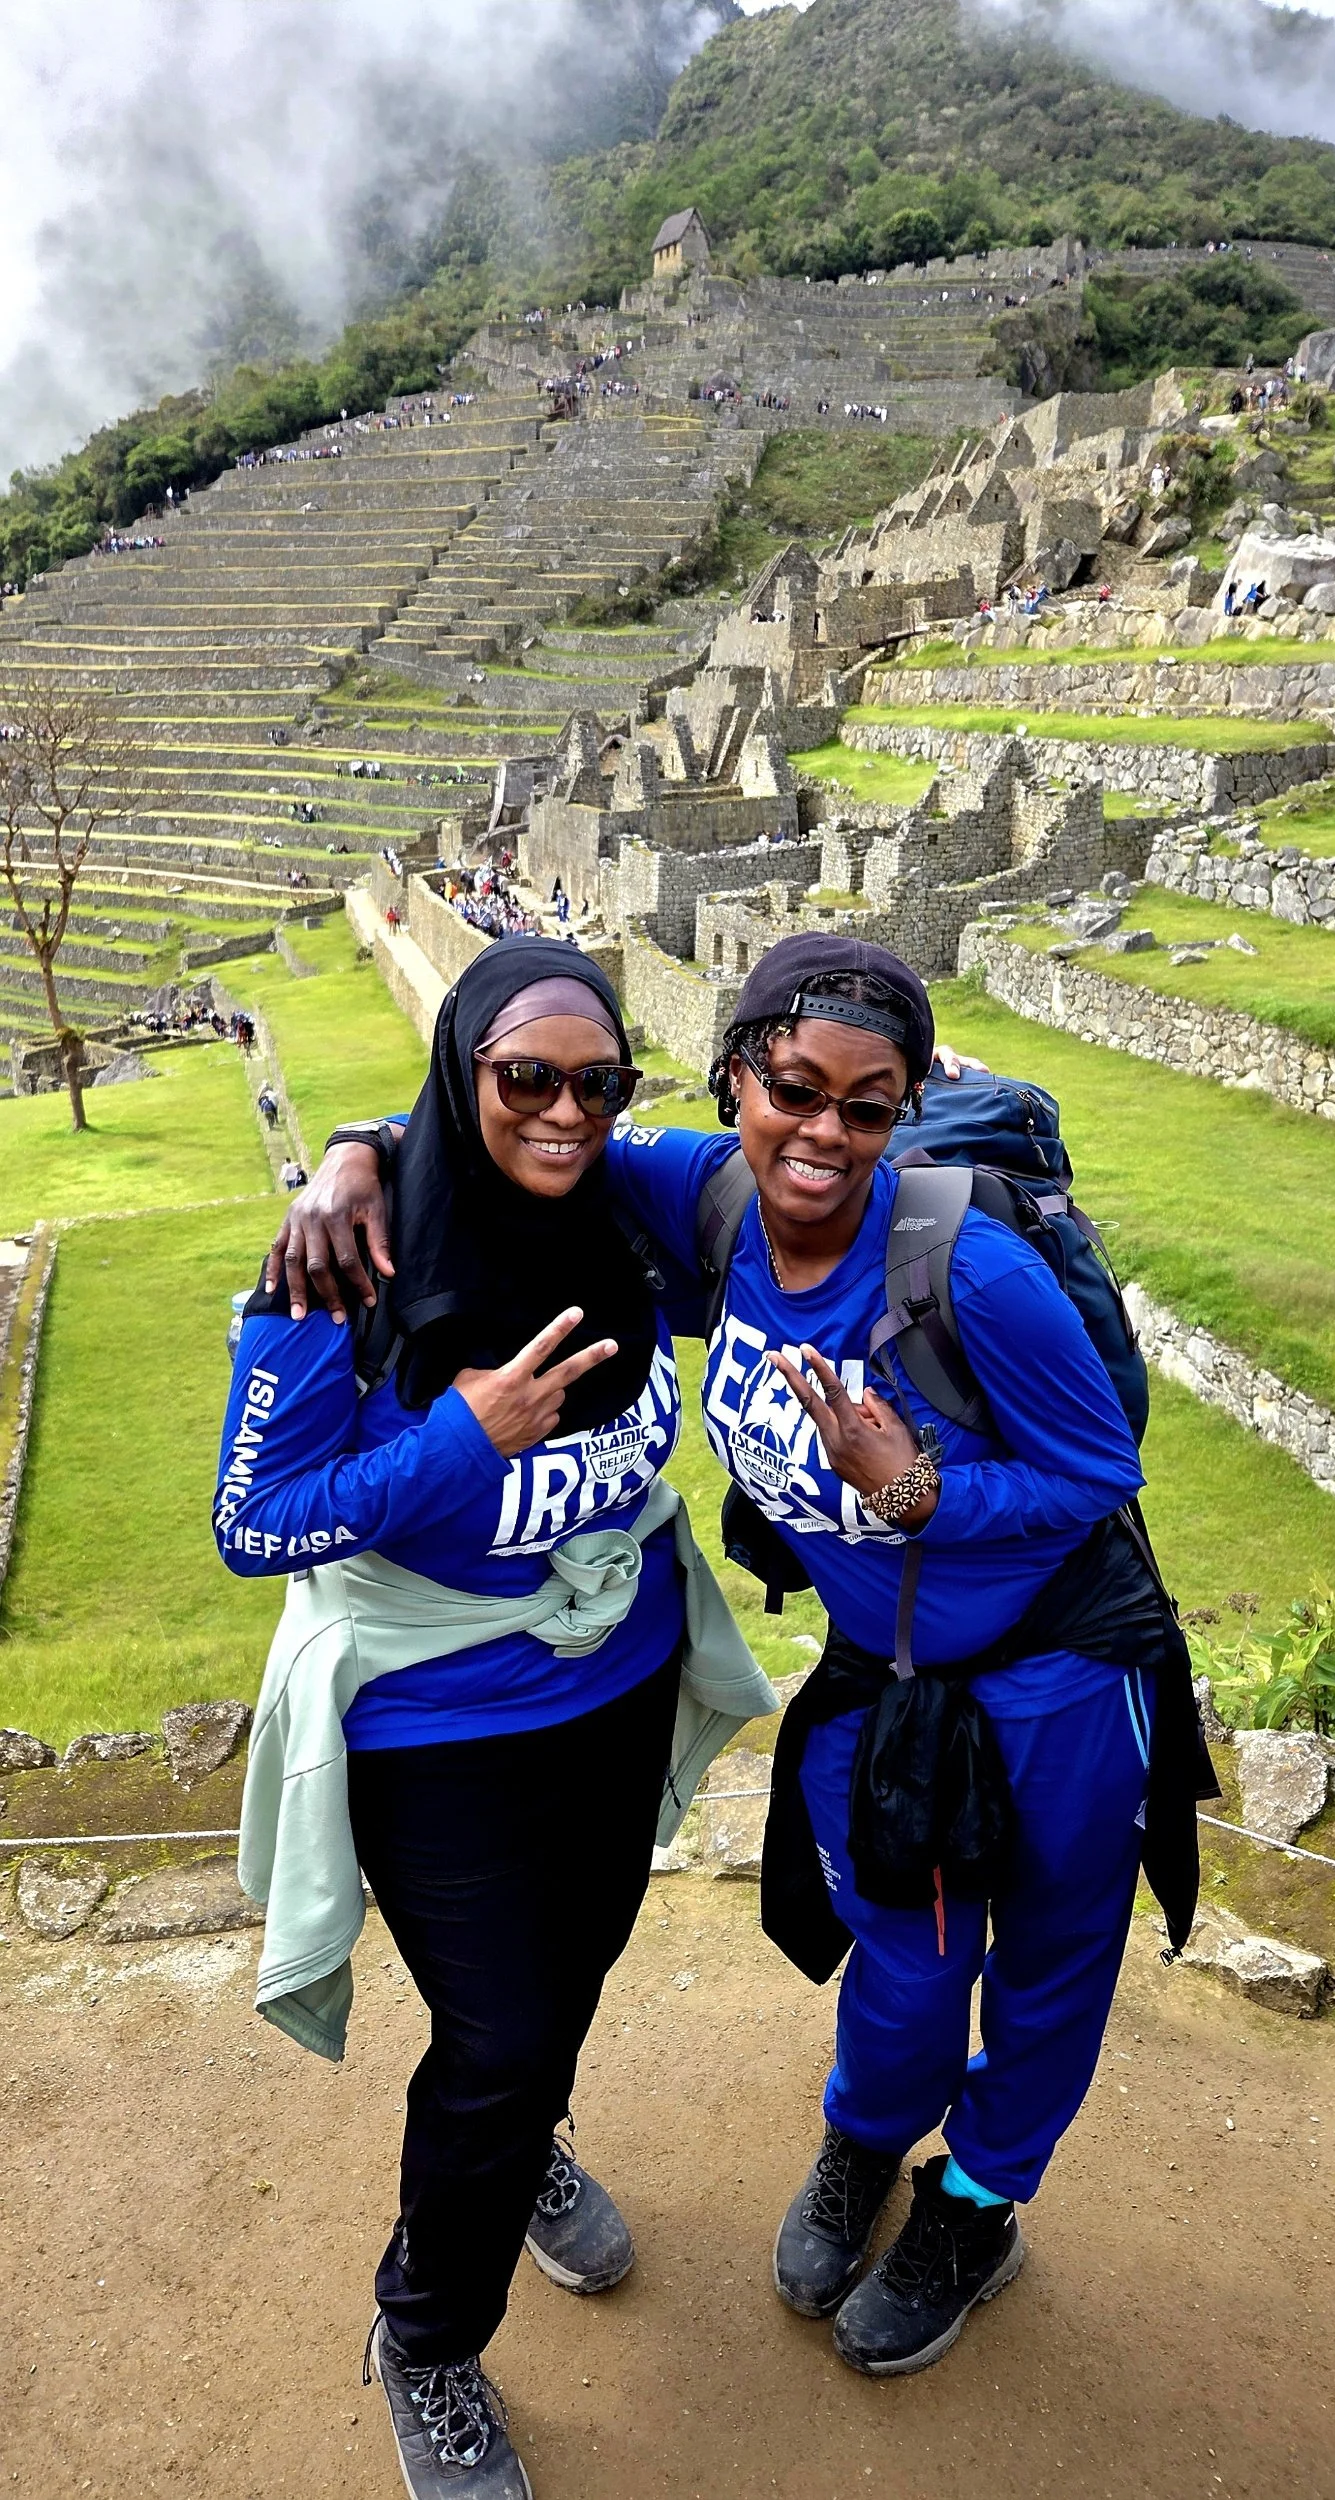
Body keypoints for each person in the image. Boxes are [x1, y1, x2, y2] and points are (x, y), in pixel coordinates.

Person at [276, 932, 1213, 2388]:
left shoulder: (970, 1269)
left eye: (869, 1106)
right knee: (908, 1970)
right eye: (795, 1090)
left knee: (1046, 1966)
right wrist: (353, 1153)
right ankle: (865, 2145)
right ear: (735, 1082)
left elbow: (1099, 1474)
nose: (824, 1134)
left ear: (903, 1112)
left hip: (1061, 1677)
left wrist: (920, 1494)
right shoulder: (705, 1197)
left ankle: (975, 2205)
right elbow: (513, 1109)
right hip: (889, 1675)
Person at [222, 939, 774, 2497]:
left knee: (572, 1979)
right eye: (525, 1077)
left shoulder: (625, 1206)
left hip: (616, 1679)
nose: (565, 1112)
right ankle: (426, 2336)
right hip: (439, 1719)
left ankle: (523, 2147)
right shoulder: (343, 1265)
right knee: (502, 2034)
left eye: (598, 1083)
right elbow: (253, 1522)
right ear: (463, 1070)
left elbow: (798, 1161)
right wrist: (460, 1441)